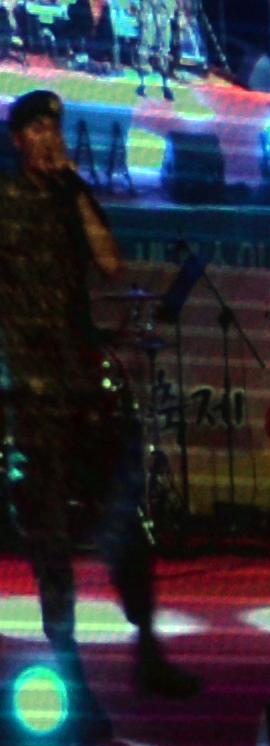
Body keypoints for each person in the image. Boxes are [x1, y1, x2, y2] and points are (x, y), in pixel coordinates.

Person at [0, 91, 197, 714]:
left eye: (54, 127)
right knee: (50, 538)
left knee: (124, 517)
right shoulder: (3, 203)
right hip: (30, 391)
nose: (48, 137)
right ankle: (69, 668)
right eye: (36, 127)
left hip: (82, 384)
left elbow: (110, 263)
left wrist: (77, 188)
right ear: (17, 140)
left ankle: (148, 648)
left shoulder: (68, 199)